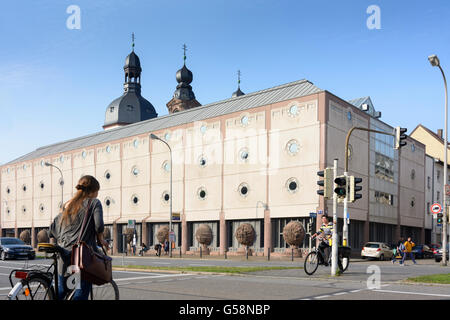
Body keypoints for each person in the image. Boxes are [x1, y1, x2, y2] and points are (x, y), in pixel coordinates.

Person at [49, 175, 108, 300]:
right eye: (97, 191)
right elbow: (99, 226)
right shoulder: (94, 203)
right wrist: (101, 239)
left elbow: (53, 229)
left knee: (62, 291)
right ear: (93, 191)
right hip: (81, 256)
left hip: (63, 254)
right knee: (80, 292)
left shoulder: (67, 205)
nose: (97, 194)